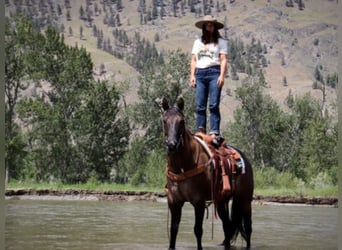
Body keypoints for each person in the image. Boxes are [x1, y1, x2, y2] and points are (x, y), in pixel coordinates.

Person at [190, 15, 228, 143]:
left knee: (213, 104)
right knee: (200, 105)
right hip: (200, 74)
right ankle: (201, 132)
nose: (209, 27)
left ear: (215, 27)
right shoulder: (197, 42)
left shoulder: (221, 42)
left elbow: (223, 60)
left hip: (214, 72)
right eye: (207, 25)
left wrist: (222, 75)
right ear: (204, 27)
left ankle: (214, 132)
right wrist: (192, 75)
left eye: (211, 25)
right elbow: (194, 60)